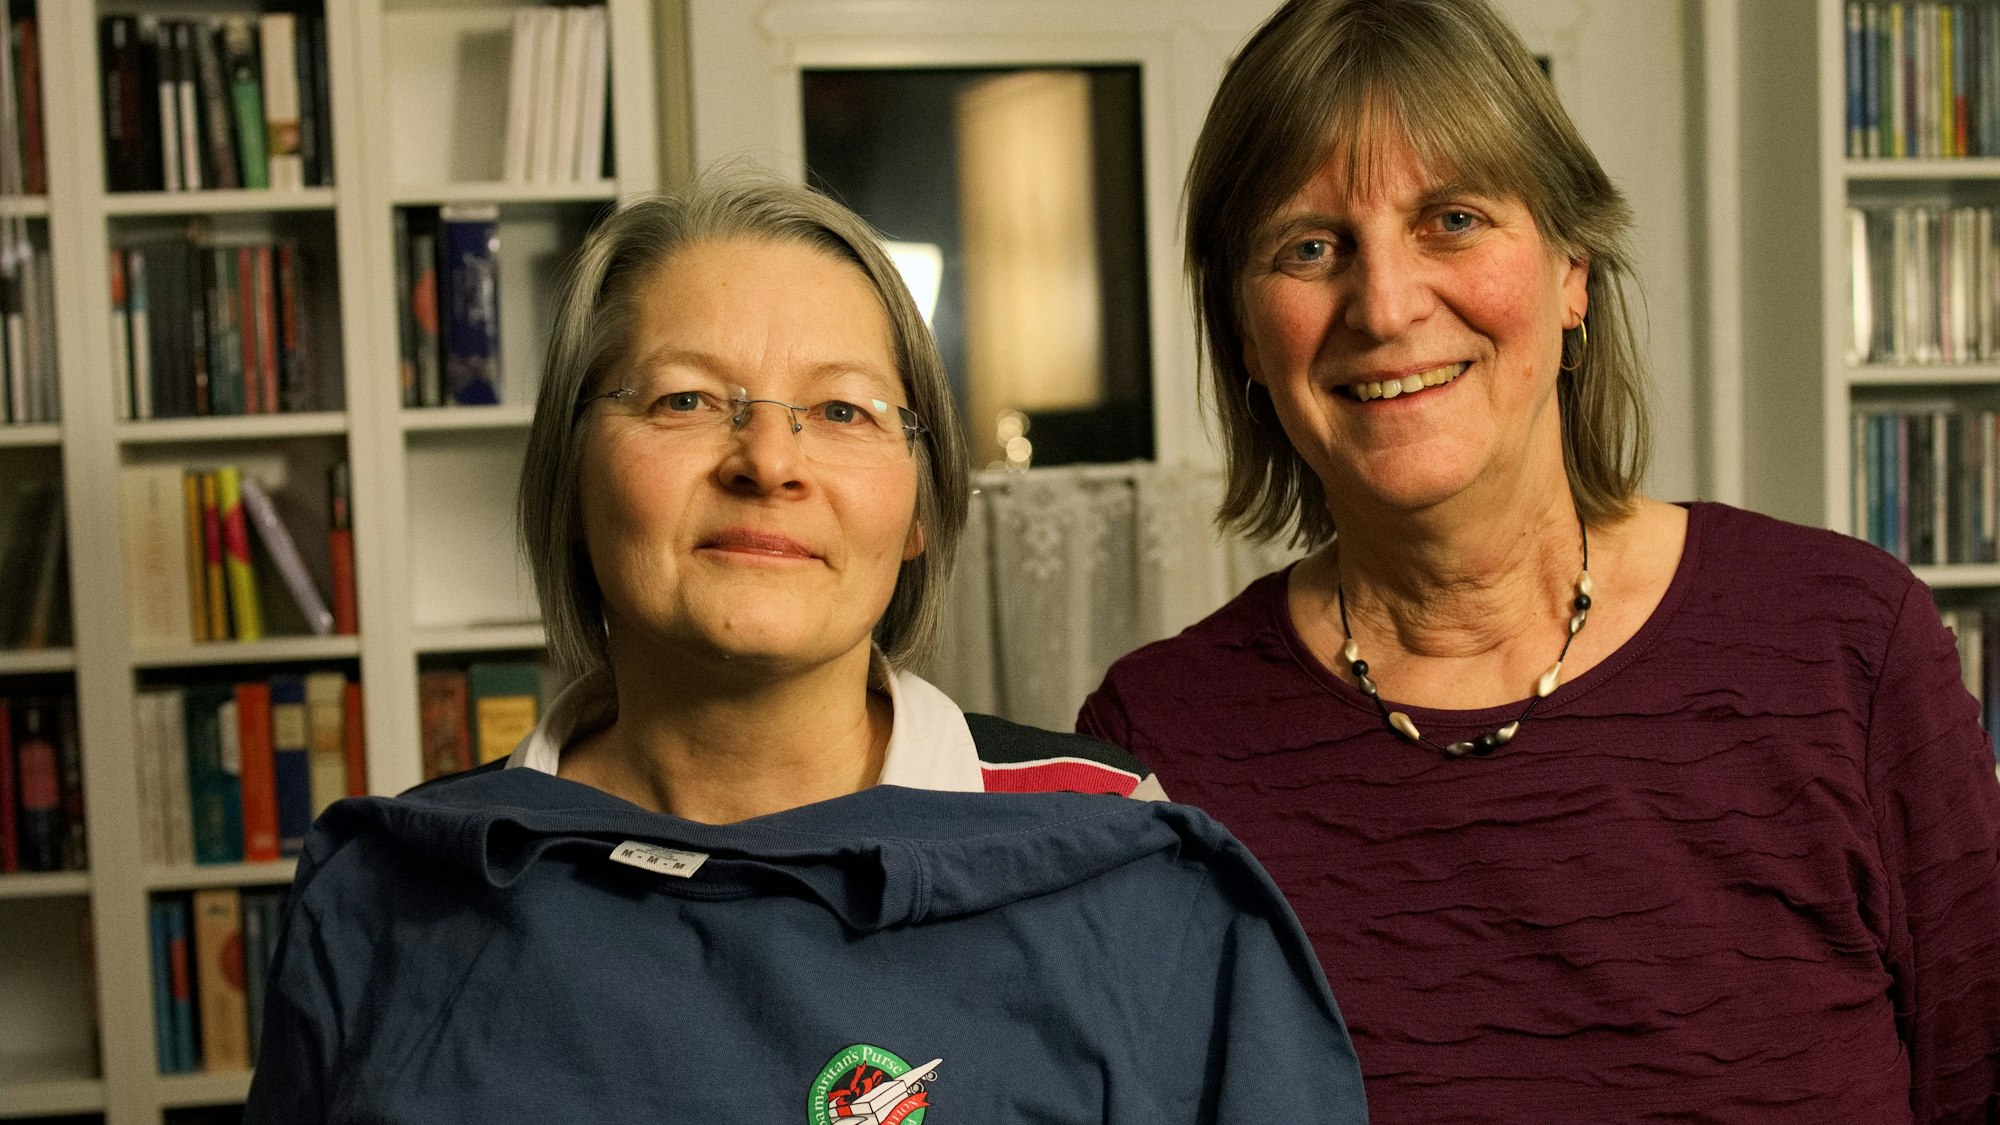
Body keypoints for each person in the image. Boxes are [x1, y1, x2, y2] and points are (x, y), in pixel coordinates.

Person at [242, 172, 1367, 1123]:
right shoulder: (390, 893)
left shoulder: (1131, 869)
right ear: (570, 481)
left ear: (920, 509)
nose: (768, 461)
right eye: (685, 399)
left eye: (842, 412)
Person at [1077, 1, 2000, 1121]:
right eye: (1310, 247)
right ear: (1241, 338)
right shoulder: (1156, 745)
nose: (1385, 303)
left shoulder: (1844, 648)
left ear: (1571, 270)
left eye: (1451, 220)